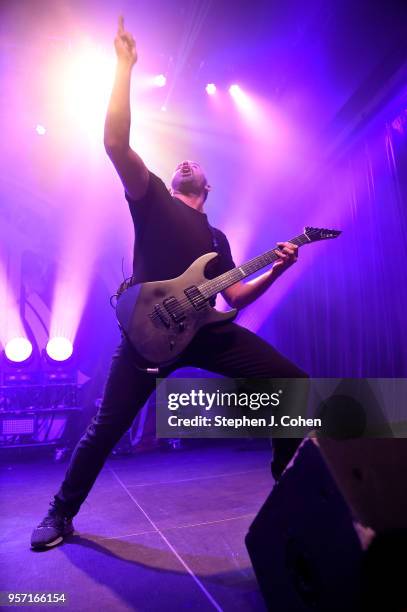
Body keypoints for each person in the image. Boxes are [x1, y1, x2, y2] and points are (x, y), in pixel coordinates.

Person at [31, 17, 306, 550]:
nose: (185, 161)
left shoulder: (219, 239)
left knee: (292, 384)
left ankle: (285, 480)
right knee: (104, 430)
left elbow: (234, 298)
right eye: (181, 161)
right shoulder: (153, 197)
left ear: (207, 185)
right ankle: (60, 514)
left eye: (195, 163)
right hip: (149, 334)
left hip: (203, 332)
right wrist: (124, 67)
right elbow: (114, 142)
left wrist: (278, 267)